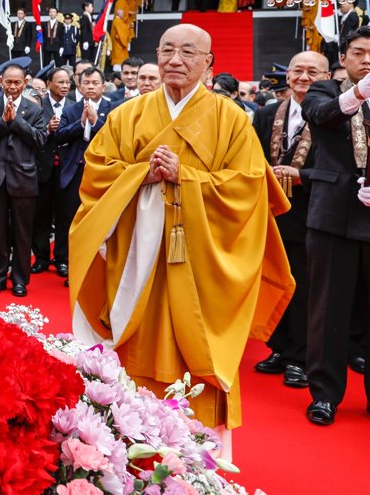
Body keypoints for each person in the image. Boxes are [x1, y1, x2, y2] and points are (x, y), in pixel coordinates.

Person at [70, 24, 293, 434]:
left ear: (208, 63)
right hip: (137, 253)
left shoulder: (232, 120)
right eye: (167, 50)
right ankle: (124, 432)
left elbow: (248, 189)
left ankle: (195, 443)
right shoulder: (126, 114)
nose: (175, 60)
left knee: (193, 344)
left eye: (188, 52)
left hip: (200, 258)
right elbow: (96, 174)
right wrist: (142, 175)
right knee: (133, 343)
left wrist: (187, 178)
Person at [299, 27, 370, 425]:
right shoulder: (324, 90)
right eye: (359, 53)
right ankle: (325, 394)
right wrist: (360, 93)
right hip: (333, 217)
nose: (366, 61)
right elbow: (321, 117)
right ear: (343, 58)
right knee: (328, 311)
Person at [252, 51, 327, 391]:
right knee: (272, 281)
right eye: (298, 70)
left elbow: (338, 171)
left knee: (304, 288)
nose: (303, 77)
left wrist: (302, 175)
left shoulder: (333, 117)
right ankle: (279, 348)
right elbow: (249, 156)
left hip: (312, 213)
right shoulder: (267, 114)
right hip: (270, 213)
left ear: (326, 75)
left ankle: (301, 356)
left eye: (313, 71)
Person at [0, 62, 48, 297]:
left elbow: (41, 140)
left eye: (17, 82)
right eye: (8, 82)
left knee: (22, 232)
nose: (12, 87)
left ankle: (20, 280)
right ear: (0, 81)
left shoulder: (35, 110)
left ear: (25, 83)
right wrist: (3, 122)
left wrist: (16, 122)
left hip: (24, 177)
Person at [52, 67, 113, 278]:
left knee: (95, 218)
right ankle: (62, 259)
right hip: (73, 169)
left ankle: (93, 260)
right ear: (79, 86)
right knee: (67, 216)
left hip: (99, 172)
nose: (90, 87)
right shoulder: (71, 110)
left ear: (103, 86)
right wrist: (81, 123)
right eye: (86, 83)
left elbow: (112, 138)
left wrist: (95, 122)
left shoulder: (112, 108)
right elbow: (59, 136)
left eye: (95, 83)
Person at [34, 67, 72, 274]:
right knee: (41, 215)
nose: (65, 86)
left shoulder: (75, 107)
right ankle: (40, 257)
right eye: (60, 82)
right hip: (43, 167)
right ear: (49, 84)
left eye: (67, 82)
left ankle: (62, 258)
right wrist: (47, 130)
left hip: (67, 169)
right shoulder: (38, 106)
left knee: (65, 215)